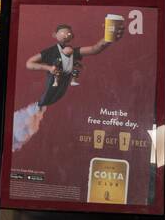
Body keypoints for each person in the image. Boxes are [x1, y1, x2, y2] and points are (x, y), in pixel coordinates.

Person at [12, 22, 122, 152]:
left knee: (45, 107)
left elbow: (95, 49)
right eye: (63, 32)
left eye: (69, 32)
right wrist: (48, 68)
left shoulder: (73, 52)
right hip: (51, 85)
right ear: (55, 34)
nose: (66, 35)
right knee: (41, 105)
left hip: (61, 90)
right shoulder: (51, 52)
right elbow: (29, 63)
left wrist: (109, 38)